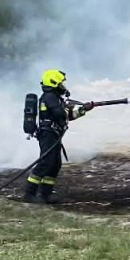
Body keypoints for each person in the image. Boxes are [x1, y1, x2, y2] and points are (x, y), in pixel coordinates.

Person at [23, 70, 92, 204]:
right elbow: (60, 114)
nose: (63, 86)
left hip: (53, 134)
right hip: (48, 134)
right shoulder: (49, 97)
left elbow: (67, 117)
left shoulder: (56, 99)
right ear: (54, 83)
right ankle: (29, 194)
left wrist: (83, 109)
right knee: (45, 163)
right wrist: (69, 108)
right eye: (61, 83)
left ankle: (45, 194)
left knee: (55, 164)